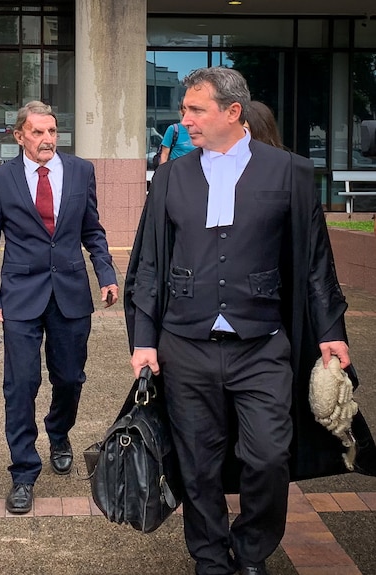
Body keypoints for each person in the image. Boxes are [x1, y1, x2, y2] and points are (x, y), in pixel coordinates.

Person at [125, 66, 359, 575]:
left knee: (270, 456)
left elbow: (315, 261)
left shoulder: (290, 171)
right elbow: (148, 264)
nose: (184, 119)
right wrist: (143, 340)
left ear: (233, 112)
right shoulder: (170, 177)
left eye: (196, 109)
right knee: (197, 464)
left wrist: (331, 332)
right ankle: (210, 557)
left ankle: (252, 550)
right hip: (185, 344)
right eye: (184, 109)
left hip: (263, 344)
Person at [0, 100, 118, 514]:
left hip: (70, 293)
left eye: (52, 131)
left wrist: (106, 274)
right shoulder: (0, 180)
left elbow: (93, 230)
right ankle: (23, 472)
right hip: (20, 296)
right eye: (37, 132)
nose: (47, 139)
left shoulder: (80, 172)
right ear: (19, 136)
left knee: (70, 378)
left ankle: (58, 431)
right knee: (20, 385)